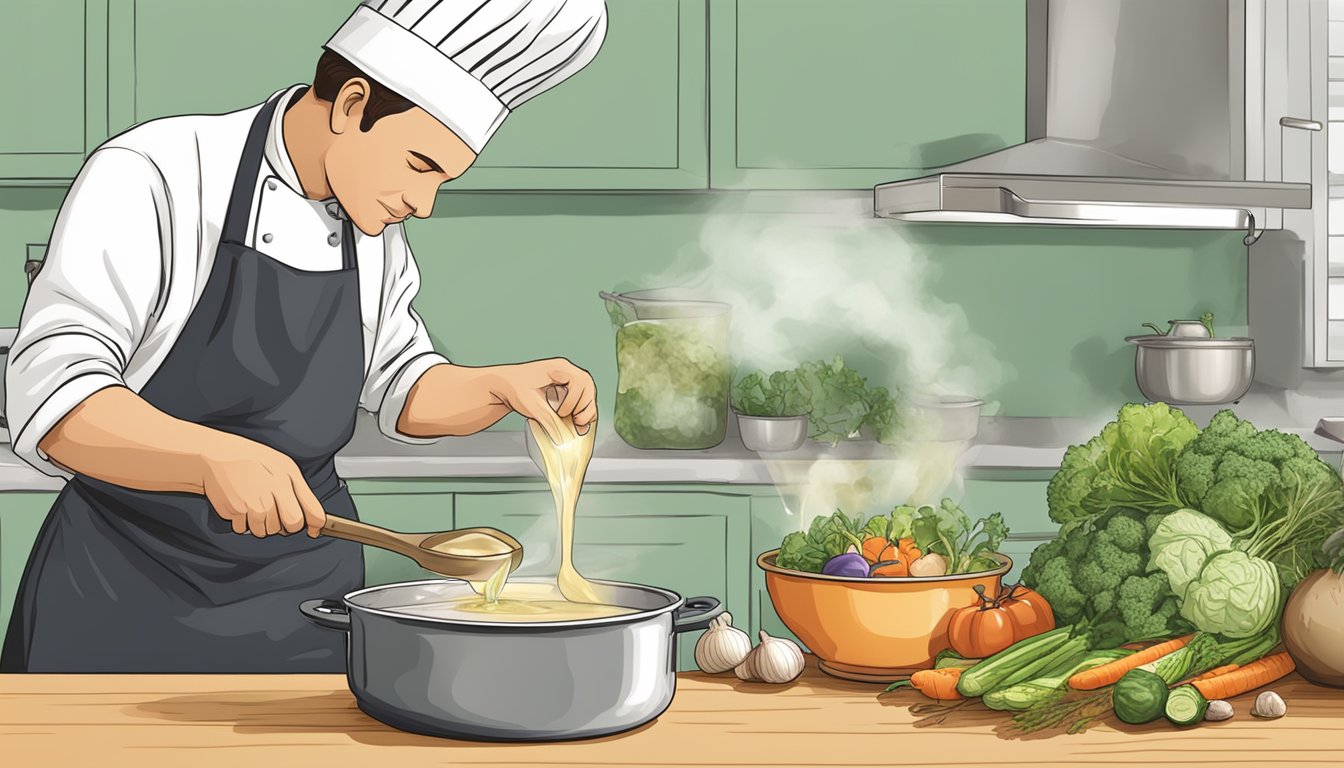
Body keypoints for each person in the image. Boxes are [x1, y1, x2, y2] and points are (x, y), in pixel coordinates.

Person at [1, 0, 607, 673]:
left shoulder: (370, 228)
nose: (424, 201)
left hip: (303, 612)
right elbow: (54, 402)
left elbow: (401, 385)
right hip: (122, 602)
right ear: (351, 105)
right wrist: (211, 460)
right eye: (420, 164)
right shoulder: (156, 173)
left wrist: (498, 387)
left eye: (442, 179)